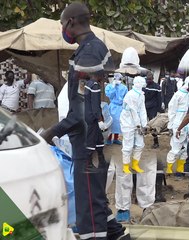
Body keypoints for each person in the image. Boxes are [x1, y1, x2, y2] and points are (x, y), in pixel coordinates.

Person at [40, 3, 130, 239]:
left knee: (89, 209)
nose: (62, 28)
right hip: (90, 138)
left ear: (70, 22)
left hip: (86, 142)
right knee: (96, 199)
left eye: (61, 23)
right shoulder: (91, 48)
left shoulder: (89, 52)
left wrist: (51, 132)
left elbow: (80, 111)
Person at [118, 76, 155, 222]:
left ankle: (147, 205)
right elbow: (133, 112)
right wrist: (139, 125)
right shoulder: (130, 95)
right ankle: (123, 207)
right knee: (127, 148)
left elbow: (142, 110)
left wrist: (144, 125)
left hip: (137, 124)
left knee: (140, 146)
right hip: (128, 123)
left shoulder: (141, 95)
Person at [166, 76, 189, 173]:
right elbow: (172, 110)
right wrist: (171, 125)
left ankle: (180, 168)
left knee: (186, 147)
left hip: (188, 124)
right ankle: (169, 168)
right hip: (178, 123)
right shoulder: (178, 95)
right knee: (176, 147)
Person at [105, 73, 128, 145]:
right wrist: (113, 87)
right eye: (115, 78)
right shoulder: (109, 86)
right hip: (113, 106)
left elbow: (126, 97)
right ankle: (109, 138)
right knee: (112, 122)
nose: (117, 80)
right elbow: (109, 95)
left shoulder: (124, 87)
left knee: (118, 123)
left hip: (121, 107)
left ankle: (115, 138)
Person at [143, 71, 162, 148]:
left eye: (150, 79)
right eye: (147, 79)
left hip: (153, 108)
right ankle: (139, 141)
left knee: (153, 125)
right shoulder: (143, 86)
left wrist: (159, 109)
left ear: (153, 79)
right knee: (142, 124)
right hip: (144, 108)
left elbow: (159, 99)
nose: (148, 81)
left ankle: (156, 142)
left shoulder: (157, 87)